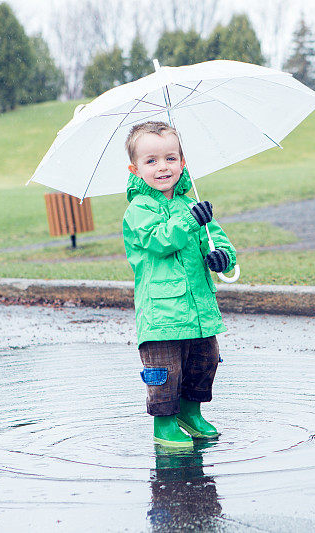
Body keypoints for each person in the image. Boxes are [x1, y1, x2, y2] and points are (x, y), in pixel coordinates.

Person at [122, 121, 237, 448]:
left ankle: (190, 411)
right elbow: (161, 241)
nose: (162, 167)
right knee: (166, 370)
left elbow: (217, 240)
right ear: (136, 169)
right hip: (161, 314)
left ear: (183, 162)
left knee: (204, 360)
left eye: (170, 158)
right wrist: (190, 220)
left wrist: (221, 258)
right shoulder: (137, 211)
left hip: (199, 309)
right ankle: (165, 424)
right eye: (151, 161)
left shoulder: (192, 205)